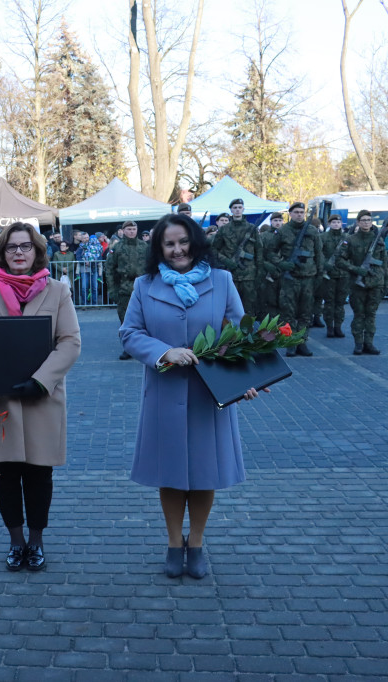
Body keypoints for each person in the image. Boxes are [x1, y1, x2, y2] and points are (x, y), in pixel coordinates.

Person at [119, 213, 265, 579]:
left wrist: (245, 381)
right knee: (170, 474)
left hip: (210, 394)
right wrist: (163, 352)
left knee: (204, 472)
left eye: (183, 242)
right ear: (159, 248)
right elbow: (130, 332)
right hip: (164, 392)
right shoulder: (144, 285)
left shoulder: (222, 280)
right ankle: (173, 542)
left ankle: (196, 542)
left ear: (195, 242)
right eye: (169, 244)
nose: (177, 249)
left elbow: (240, 334)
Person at [0, 223, 81, 572]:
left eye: (26, 246)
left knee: (39, 476)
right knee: (5, 474)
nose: (18, 253)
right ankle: (16, 542)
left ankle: (37, 542)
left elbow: (70, 342)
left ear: (37, 251)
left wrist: (42, 380)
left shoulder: (58, 291)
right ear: (2, 252)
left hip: (41, 399)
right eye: (11, 247)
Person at [268, 202, 319, 357]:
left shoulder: (312, 230)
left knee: (305, 313)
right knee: (287, 314)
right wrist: (281, 263)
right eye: (296, 212)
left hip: (308, 277)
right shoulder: (283, 231)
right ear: (290, 214)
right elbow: (270, 251)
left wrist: (319, 274)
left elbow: (319, 254)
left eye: (301, 212)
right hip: (289, 279)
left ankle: (302, 342)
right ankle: (290, 343)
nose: (299, 215)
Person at [343, 210, 388, 355]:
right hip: (358, 284)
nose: (366, 222)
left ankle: (369, 343)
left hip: (375, 282)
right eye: (363, 220)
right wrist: (356, 269)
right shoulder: (350, 240)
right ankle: (358, 343)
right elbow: (339, 260)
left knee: (371, 314)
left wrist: (387, 282)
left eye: (368, 220)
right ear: (358, 222)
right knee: (359, 314)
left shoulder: (378, 240)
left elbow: (384, 263)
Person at [210, 198, 262, 315]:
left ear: (243, 209)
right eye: (235, 208)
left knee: (249, 308)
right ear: (231, 210)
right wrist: (226, 261)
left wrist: (259, 272)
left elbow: (259, 250)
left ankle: (249, 332)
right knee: (230, 306)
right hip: (230, 274)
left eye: (240, 207)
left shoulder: (252, 228)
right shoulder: (224, 229)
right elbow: (213, 249)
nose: (237, 210)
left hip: (249, 275)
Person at [106, 221, 149, 359]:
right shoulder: (117, 248)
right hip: (124, 289)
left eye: (134, 229)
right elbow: (110, 270)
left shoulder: (144, 246)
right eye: (129, 229)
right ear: (123, 231)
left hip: (143, 288)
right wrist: (112, 290)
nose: (132, 232)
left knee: (145, 319)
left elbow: (151, 266)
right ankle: (128, 348)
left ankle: (144, 347)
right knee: (125, 321)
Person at [320, 214, 350, 338]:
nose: (336, 224)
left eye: (338, 222)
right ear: (329, 224)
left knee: (340, 302)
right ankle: (329, 327)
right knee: (329, 302)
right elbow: (319, 252)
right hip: (329, 274)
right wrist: (324, 265)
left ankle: (338, 326)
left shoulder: (347, 237)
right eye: (333, 222)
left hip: (343, 274)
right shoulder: (323, 237)